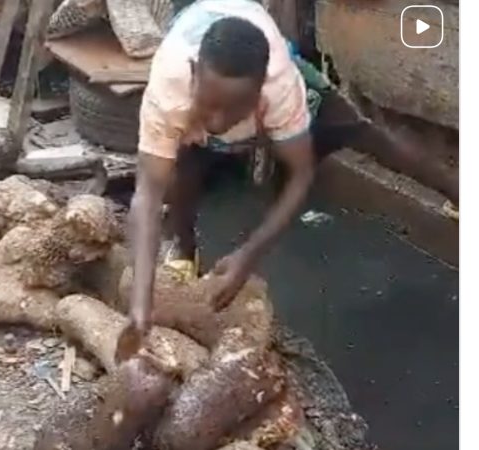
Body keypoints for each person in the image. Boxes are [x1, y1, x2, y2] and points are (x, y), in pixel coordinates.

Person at [120, 0, 458, 350]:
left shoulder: (281, 84)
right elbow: (147, 194)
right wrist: (140, 304)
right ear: (193, 73)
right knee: (180, 168)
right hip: (200, 69)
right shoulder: (168, 86)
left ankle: (458, 189)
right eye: (210, 106)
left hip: (266, 63)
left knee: (364, 133)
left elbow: (302, 173)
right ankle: (185, 252)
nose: (218, 123)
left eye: (235, 109)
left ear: (259, 91)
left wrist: (249, 254)